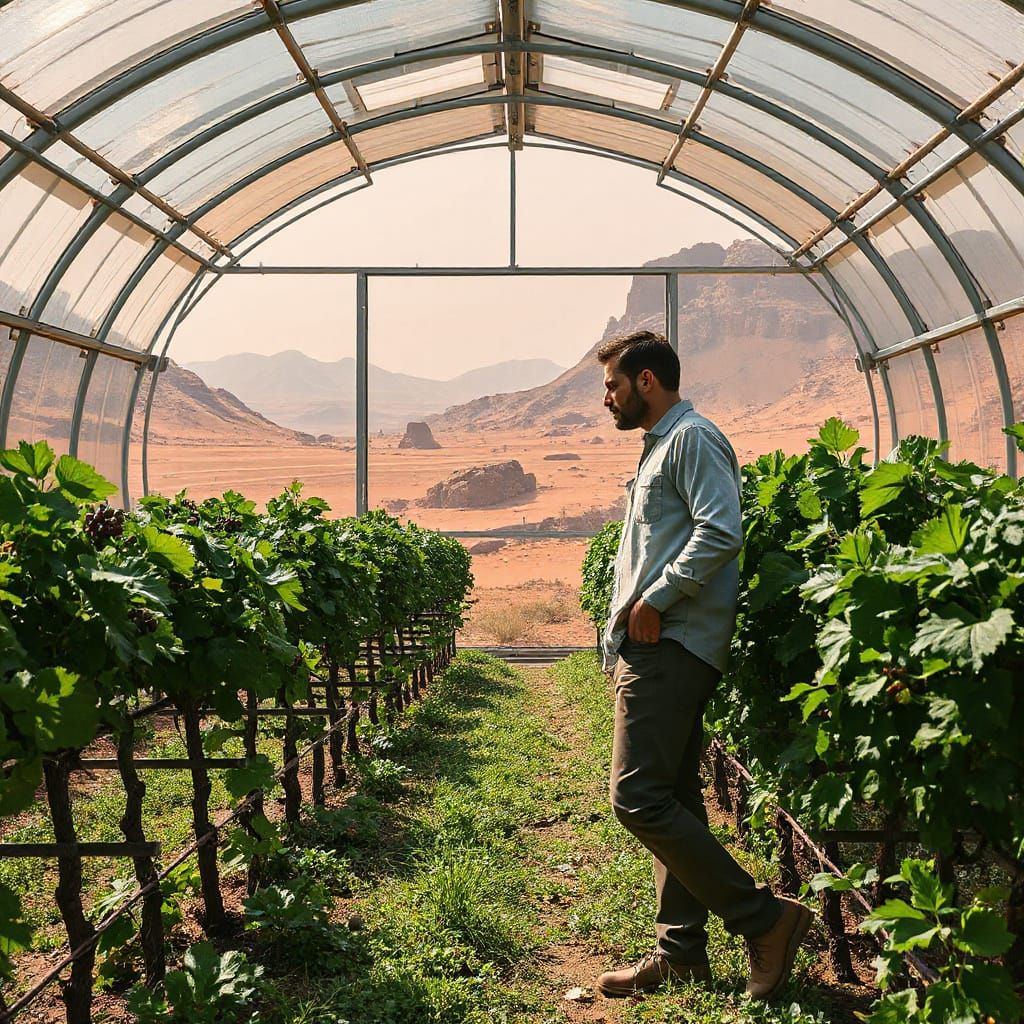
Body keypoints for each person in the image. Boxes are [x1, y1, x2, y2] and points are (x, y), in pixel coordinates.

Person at [594, 330, 811, 1002]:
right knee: (676, 796)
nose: (608, 399)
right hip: (660, 644)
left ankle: (765, 919)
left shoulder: (692, 439)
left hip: (673, 644)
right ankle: (682, 953)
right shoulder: (661, 445)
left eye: (613, 386)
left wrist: (655, 600)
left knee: (636, 798)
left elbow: (722, 528)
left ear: (648, 380)